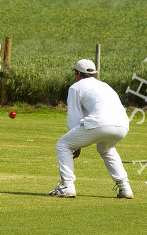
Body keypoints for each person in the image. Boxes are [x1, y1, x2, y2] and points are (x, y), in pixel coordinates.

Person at [48, 59, 133, 199]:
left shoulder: (76, 87)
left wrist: (77, 144)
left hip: (101, 122)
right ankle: (125, 188)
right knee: (106, 149)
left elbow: (74, 117)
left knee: (63, 144)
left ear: (78, 74)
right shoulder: (105, 85)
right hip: (123, 124)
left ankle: (67, 186)